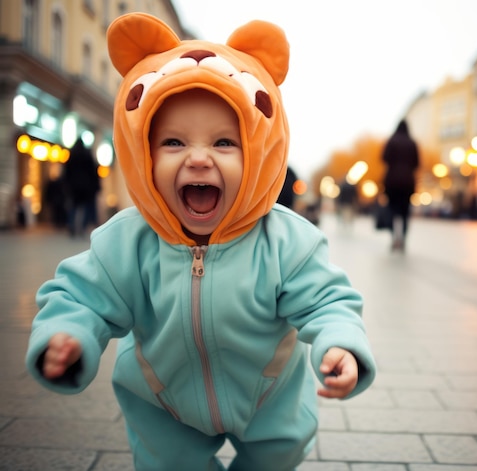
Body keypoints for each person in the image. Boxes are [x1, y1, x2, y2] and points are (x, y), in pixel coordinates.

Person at [25, 13, 376, 471]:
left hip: (269, 399)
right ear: (142, 154)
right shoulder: (127, 241)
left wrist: (339, 344)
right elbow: (82, 295)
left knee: (280, 450)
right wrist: (66, 333)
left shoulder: (287, 241)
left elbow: (327, 301)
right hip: (162, 399)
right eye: (172, 142)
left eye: (224, 143)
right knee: (166, 462)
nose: (197, 158)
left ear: (258, 153)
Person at [382, 119, 419, 251]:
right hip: (408, 183)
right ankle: (403, 238)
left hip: (392, 182)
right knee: (405, 212)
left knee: (392, 210)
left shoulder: (391, 141)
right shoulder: (412, 143)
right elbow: (417, 163)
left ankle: (394, 238)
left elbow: (384, 158)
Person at [63, 137, 100, 237]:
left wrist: (66, 186)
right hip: (86, 187)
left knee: (73, 207)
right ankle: (83, 227)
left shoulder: (71, 155)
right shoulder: (87, 154)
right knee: (86, 208)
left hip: (74, 187)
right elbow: (93, 172)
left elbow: (66, 172)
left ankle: (72, 226)